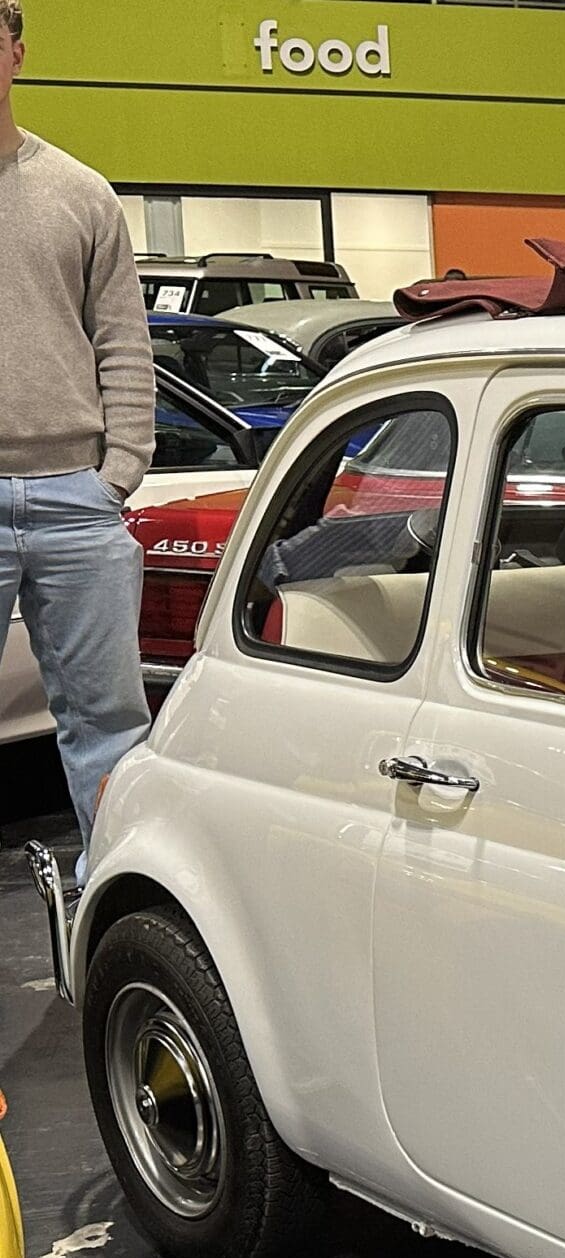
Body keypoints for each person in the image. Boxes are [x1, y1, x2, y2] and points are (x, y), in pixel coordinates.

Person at [0, 0, 152, 853]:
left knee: (109, 727)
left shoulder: (80, 191)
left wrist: (118, 471)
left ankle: (116, 910)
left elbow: (125, 343)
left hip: (75, 501)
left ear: (17, 51)